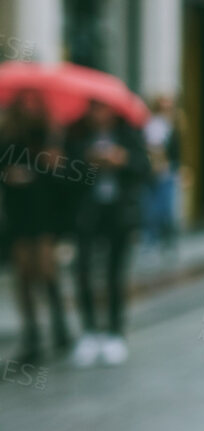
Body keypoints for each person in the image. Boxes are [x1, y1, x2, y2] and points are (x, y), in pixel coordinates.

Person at [66, 101, 150, 367]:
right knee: (83, 271)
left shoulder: (129, 134)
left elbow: (145, 168)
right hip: (88, 214)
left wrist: (122, 159)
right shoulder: (77, 135)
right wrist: (88, 161)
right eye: (93, 109)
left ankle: (115, 331)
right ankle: (90, 331)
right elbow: (67, 171)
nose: (98, 115)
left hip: (119, 213)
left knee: (116, 273)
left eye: (102, 109)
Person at [2, 90, 77, 363]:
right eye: (24, 100)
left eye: (33, 100)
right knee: (23, 274)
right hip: (18, 214)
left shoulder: (52, 137)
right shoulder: (8, 138)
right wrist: (8, 174)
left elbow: (69, 182)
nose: (28, 106)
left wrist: (57, 166)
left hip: (45, 214)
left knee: (46, 270)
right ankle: (32, 334)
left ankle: (60, 328)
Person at [141, 93, 181, 255]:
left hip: (168, 171)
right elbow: (154, 146)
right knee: (156, 208)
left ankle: (163, 240)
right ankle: (152, 239)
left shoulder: (170, 124)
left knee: (165, 208)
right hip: (158, 172)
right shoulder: (155, 124)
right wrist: (160, 164)